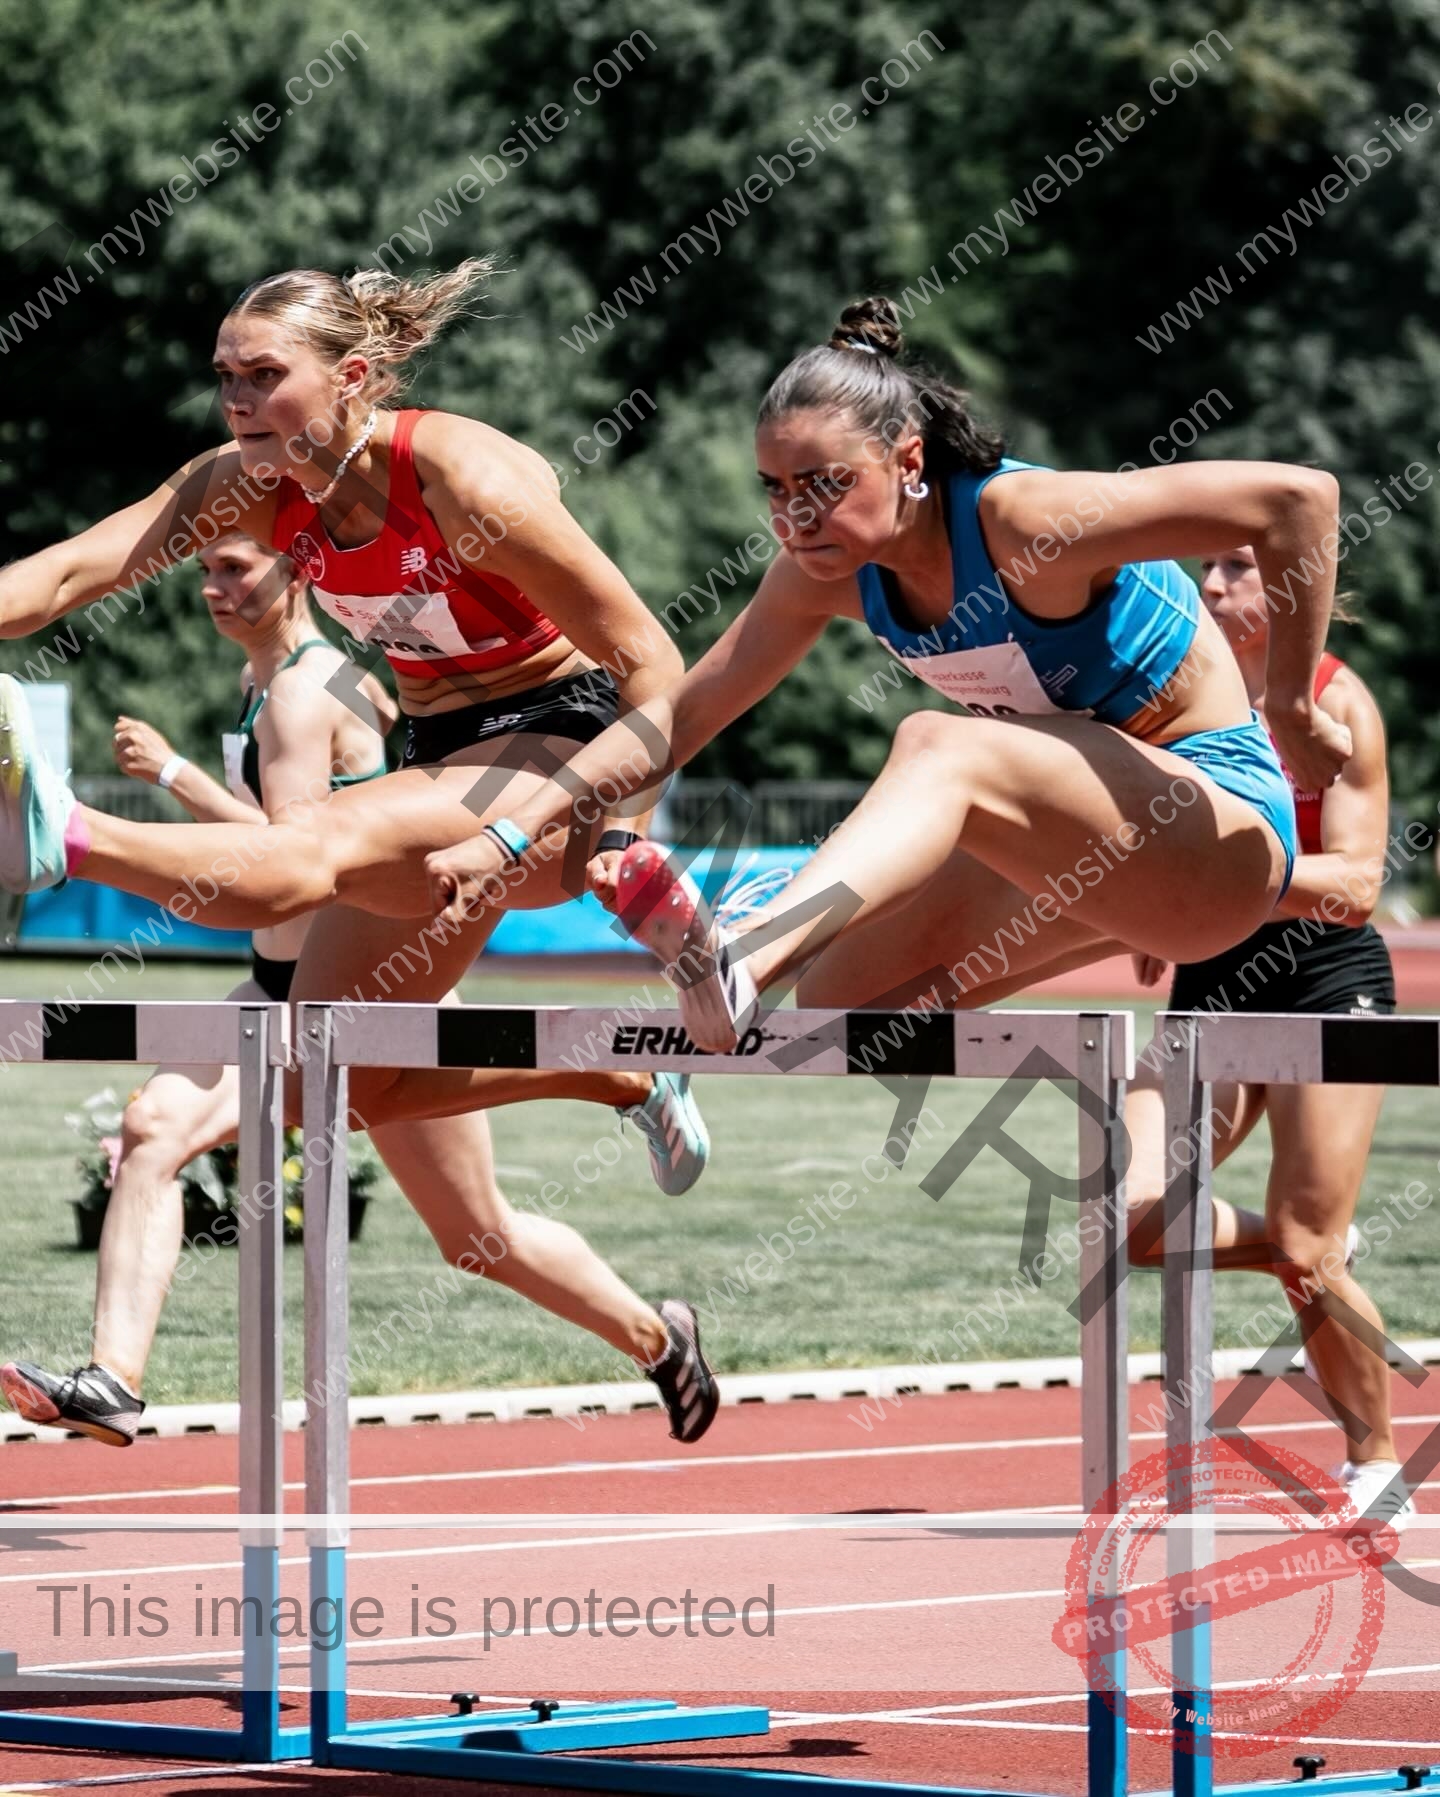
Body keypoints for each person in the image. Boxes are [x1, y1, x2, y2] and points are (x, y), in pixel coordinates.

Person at [0, 257, 721, 1438]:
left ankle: (58, 829)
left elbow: (652, 663)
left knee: (309, 849)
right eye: (224, 376)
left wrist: (621, 845)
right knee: (332, 1075)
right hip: (447, 759)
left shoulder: (459, 472)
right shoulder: (239, 485)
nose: (236, 400)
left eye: (265, 376)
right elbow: (73, 572)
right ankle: (625, 1080)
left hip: (565, 753)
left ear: (357, 377)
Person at [415, 297, 1346, 1058]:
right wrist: (508, 836)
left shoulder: (1027, 523)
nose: (794, 516)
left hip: (1224, 826)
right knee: (838, 1002)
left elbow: (1298, 500)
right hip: (1114, 852)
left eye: (821, 482)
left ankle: (742, 950)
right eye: (774, 490)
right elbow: (674, 720)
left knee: (938, 745)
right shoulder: (822, 579)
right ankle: (726, 1010)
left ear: (907, 460)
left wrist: (1295, 705)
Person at [1121, 545, 1411, 1527]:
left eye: (1238, 567)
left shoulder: (1340, 704)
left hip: (1329, 981)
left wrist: (1218, 889)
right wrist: (1154, 913)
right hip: (1217, 975)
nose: (1209, 586)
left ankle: (1375, 1463)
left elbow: (1359, 886)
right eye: (1205, 568)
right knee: (1131, 1222)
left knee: (1304, 1250)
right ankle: (1309, 1242)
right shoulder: (1169, 701)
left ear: (1291, 589)